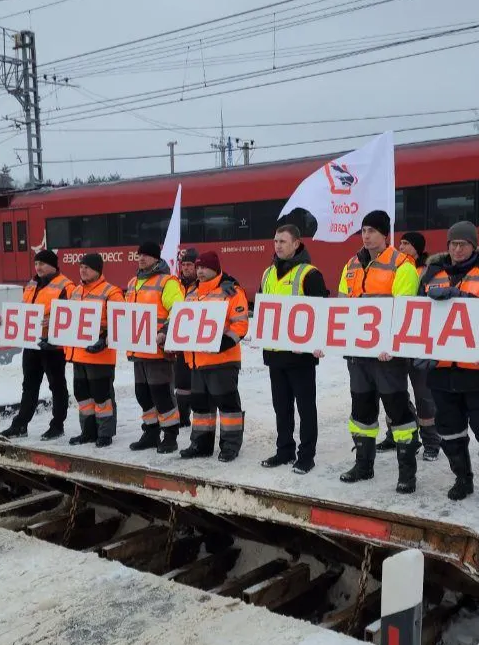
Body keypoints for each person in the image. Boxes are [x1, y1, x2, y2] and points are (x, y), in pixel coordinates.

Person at [418, 221, 479, 503]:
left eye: (463, 244)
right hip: (441, 371)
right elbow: (418, 313)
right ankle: (462, 478)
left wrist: (463, 297)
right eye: (453, 244)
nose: (457, 249)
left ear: (473, 245)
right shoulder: (432, 272)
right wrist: (418, 348)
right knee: (449, 431)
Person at [336, 209, 422, 494]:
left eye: (372, 230)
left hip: (388, 356)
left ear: (385, 235)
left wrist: (391, 345)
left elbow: (404, 311)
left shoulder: (402, 266)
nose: (366, 235)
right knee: (361, 411)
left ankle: (407, 474)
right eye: (363, 230)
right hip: (358, 354)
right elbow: (341, 306)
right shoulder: (351, 265)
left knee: (398, 413)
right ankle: (363, 465)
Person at [258, 223, 330, 474]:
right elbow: (263, 308)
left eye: (283, 241)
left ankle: (306, 456)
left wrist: (317, 343)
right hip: (274, 353)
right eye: (275, 241)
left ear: (296, 244)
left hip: (300, 356)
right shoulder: (267, 273)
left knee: (305, 407)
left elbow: (321, 313)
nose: (278, 246)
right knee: (282, 407)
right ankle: (284, 450)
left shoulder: (310, 274)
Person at [377, 230, 442, 463]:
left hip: (418, 342)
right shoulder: (394, 268)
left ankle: (432, 442)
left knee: (424, 395)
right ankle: (397, 435)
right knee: (393, 392)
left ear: (418, 248)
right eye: (401, 243)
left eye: (406, 243)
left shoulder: (429, 271)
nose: (401, 246)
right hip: (394, 340)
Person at [180, 251, 250, 461]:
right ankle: (201, 444)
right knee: (200, 408)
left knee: (227, 406)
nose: (200, 271)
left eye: (204, 267)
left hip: (222, 361)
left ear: (216, 268)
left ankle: (230, 446)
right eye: (198, 267)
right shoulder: (191, 293)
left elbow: (240, 324)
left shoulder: (231, 291)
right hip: (196, 361)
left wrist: (224, 343)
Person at [1, 249, 75, 440]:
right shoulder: (32, 284)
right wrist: (10, 319)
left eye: (42, 263)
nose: (38, 267)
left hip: (53, 346)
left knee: (57, 387)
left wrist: (54, 322)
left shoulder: (66, 286)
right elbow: (24, 308)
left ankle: (57, 425)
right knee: (29, 386)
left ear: (53, 265)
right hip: (32, 344)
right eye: (36, 263)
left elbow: (73, 315)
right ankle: (20, 425)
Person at [124, 241, 186, 454]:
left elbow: (178, 309)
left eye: (146, 255)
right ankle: (151, 433)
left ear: (156, 258)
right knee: (142, 394)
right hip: (138, 350)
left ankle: (170, 435)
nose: (141, 258)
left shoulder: (167, 282)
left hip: (158, 350)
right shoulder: (133, 282)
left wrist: (165, 332)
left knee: (162, 395)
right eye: (139, 254)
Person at [64, 253, 124, 447]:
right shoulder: (76, 291)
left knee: (102, 397)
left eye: (87, 267)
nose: (83, 270)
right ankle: (88, 432)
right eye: (81, 267)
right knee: (83, 396)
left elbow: (120, 322)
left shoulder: (111, 292)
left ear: (98, 270)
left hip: (100, 356)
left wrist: (104, 340)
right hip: (79, 354)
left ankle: (105, 434)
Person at [173, 247, 200, 429]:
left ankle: (198, 415)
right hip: (180, 341)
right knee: (181, 382)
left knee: (197, 383)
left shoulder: (202, 284)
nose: (186, 268)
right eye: (184, 265)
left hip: (198, 340)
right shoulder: (175, 285)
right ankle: (183, 417)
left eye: (190, 265)